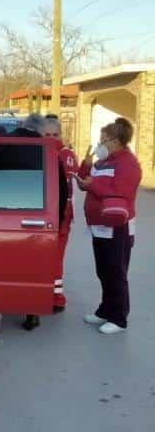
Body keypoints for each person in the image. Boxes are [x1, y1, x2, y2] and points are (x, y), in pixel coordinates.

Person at [0, 113, 48, 335]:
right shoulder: (45, 150)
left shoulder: (0, 144)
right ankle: (32, 313)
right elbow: (59, 187)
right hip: (34, 218)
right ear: (40, 131)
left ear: (23, 125)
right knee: (31, 267)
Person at [76, 117, 141, 335]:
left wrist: (94, 185)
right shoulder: (102, 162)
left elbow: (120, 192)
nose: (100, 143)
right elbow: (85, 183)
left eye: (104, 140)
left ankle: (119, 317)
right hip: (99, 225)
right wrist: (85, 165)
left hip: (117, 226)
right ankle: (105, 310)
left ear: (116, 141)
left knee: (116, 272)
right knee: (103, 271)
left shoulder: (128, 163)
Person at [44, 114, 79, 312]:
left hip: (62, 213)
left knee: (56, 257)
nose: (51, 138)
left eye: (55, 134)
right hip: (47, 210)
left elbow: (74, 181)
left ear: (61, 134)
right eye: (47, 134)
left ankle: (57, 298)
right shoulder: (43, 151)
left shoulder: (66, 155)